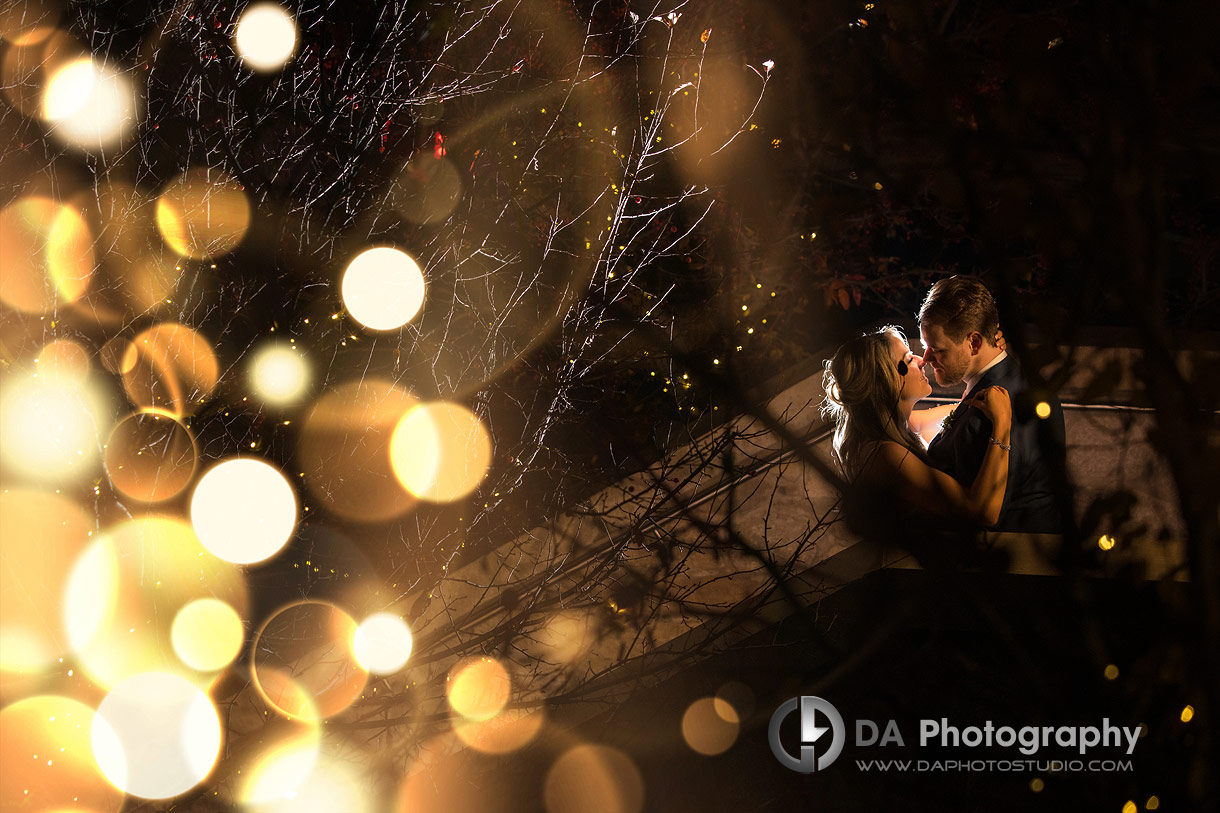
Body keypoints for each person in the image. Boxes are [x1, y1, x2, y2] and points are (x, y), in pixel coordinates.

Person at [822, 326, 1012, 529]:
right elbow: (981, 512)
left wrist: (986, 352)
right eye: (909, 359)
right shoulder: (887, 454)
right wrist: (1002, 424)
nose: (922, 361)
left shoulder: (900, 428)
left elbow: (964, 408)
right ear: (888, 379)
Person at [918, 276, 1066, 534]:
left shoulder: (995, 407)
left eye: (937, 349)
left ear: (974, 343)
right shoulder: (1013, 380)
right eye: (925, 346)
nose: (926, 358)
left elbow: (987, 509)